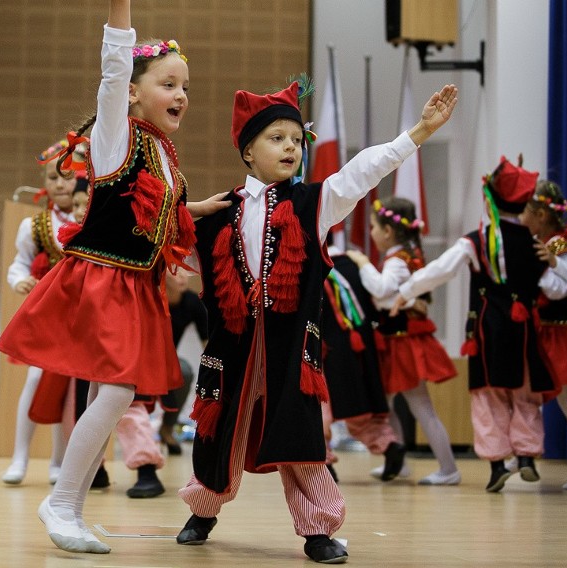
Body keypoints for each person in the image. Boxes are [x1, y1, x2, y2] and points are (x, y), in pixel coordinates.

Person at [176, 77, 458, 564]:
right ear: (247, 151)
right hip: (232, 347)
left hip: (291, 349)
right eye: (275, 138)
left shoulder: (314, 203)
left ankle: (317, 530)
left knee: (300, 433)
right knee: (218, 429)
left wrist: (415, 133)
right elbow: (174, 254)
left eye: (295, 139)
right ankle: (203, 510)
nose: (290, 147)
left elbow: (361, 171)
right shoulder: (217, 214)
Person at [0, 0, 227, 554]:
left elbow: (152, 214)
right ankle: (61, 501)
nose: (181, 96)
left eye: (186, 88)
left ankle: (69, 504)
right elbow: (114, 63)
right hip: (103, 280)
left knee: (113, 393)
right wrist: (120, 8)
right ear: (131, 91)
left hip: (136, 284)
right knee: (118, 390)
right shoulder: (115, 134)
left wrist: (199, 209)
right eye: (168, 84)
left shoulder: (163, 152)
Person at [391, 156, 555, 493]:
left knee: (488, 397)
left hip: (488, 330)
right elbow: (552, 285)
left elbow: (440, 270)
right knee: (525, 395)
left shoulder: (475, 240)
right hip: (525, 331)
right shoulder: (535, 244)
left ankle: (497, 465)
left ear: (489, 198)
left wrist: (406, 291)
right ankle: (525, 457)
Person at [346, 197, 460, 486]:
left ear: (388, 231)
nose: (370, 233)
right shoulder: (402, 257)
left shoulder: (397, 261)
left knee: (420, 406)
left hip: (404, 342)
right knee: (387, 406)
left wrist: (361, 263)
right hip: (395, 341)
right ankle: (398, 460)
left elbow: (382, 292)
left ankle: (448, 468)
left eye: (373, 227)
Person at [1, 140, 82, 486]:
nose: (60, 184)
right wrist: (20, 280)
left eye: (67, 176)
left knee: (72, 391)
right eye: (53, 177)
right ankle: (20, 456)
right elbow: (18, 265)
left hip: (82, 318)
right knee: (35, 380)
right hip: (49, 317)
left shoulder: (92, 219)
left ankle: (58, 460)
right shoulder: (34, 226)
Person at [321, 236, 407, 483]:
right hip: (362, 344)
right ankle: (389, 445)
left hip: (325, 348)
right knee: (361, 408)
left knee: (319, 407)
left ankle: (324, 463)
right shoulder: (353, 262)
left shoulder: (311, 265)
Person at [518, 180, 567, 490]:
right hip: (550, 332)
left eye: (526, 211)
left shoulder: (557, 245)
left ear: (541, 215)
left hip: (564, 334)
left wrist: (545, 266)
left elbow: (561, 289)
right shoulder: (545, 242)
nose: (521, 217)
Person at [159, 267, 209, 456]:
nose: (182, 276)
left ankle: (167, 427)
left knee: (185, 371)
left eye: (184, 271)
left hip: (168, 360)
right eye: (174, 270)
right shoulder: (152, 296)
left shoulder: (192, 302)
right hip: (141, 357)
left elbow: (207, 341)